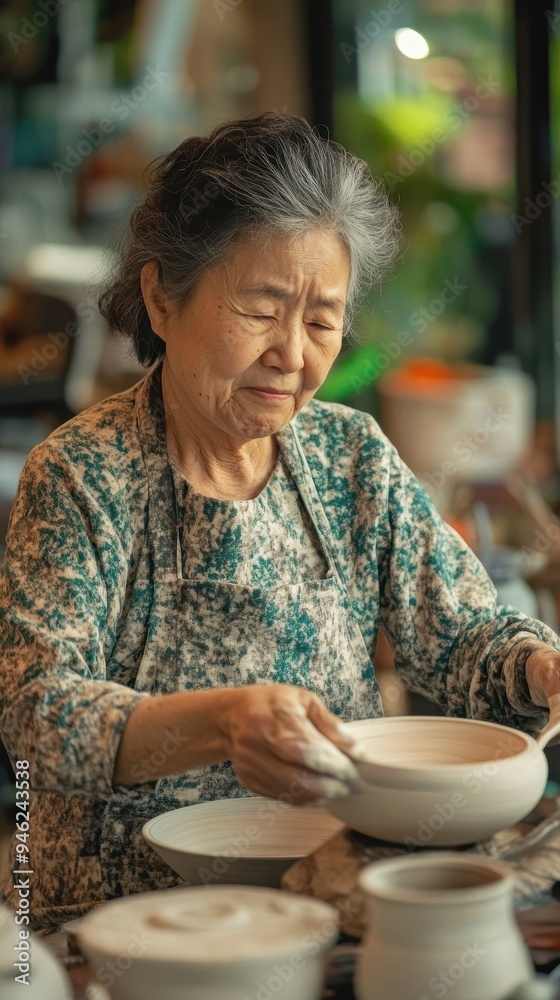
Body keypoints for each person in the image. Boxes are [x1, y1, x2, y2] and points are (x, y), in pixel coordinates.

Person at [1, 113, 559, 932]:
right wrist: (226, 722)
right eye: (261, 309)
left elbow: (465, 641)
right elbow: (32, 713)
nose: (292, 353)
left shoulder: (352, 459)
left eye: (322, 321)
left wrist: (538, 668)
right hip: (125, 927)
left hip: (332, 904)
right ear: (161, 296)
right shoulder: (83, 476)